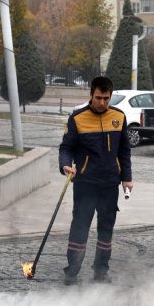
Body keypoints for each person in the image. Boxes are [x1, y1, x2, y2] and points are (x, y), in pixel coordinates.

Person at [58, 76, 132, 285]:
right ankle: (71, 272)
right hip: (85, 184)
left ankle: (101, 271)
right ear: (90, 95)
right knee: (80, 228)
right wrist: (65, 164)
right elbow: (66, 148)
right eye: (98, 98)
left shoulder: (119, 117)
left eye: (106, 99)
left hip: (110, 184)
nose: (102, 103)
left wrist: (126, 178)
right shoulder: (78, 118)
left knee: (106, 231)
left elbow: (124, 151)